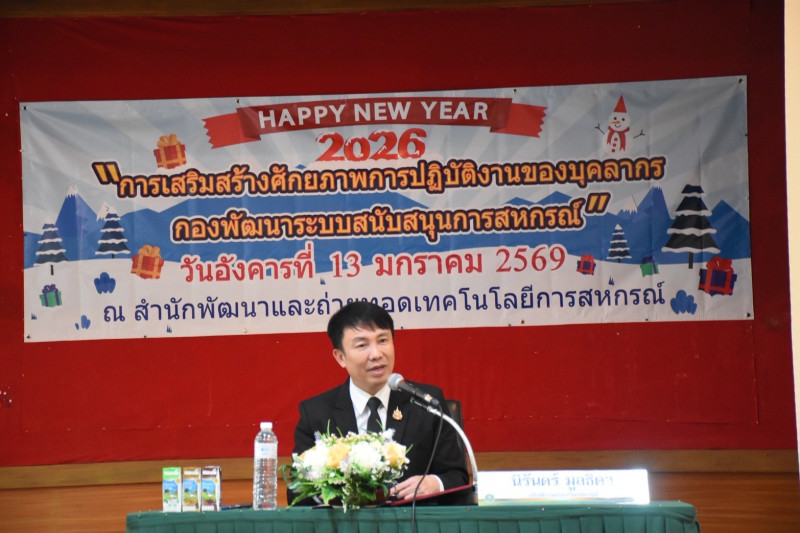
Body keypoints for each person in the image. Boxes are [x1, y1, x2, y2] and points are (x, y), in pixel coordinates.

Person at [290, 300, 469, 503]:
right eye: (362, 345)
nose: (376, 354)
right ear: (340, 357)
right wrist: (337, 492)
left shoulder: (426, 403)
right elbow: (296, 490)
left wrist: (435, 483)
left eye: (383, 340)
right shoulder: (316, 413)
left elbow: (457, 476)